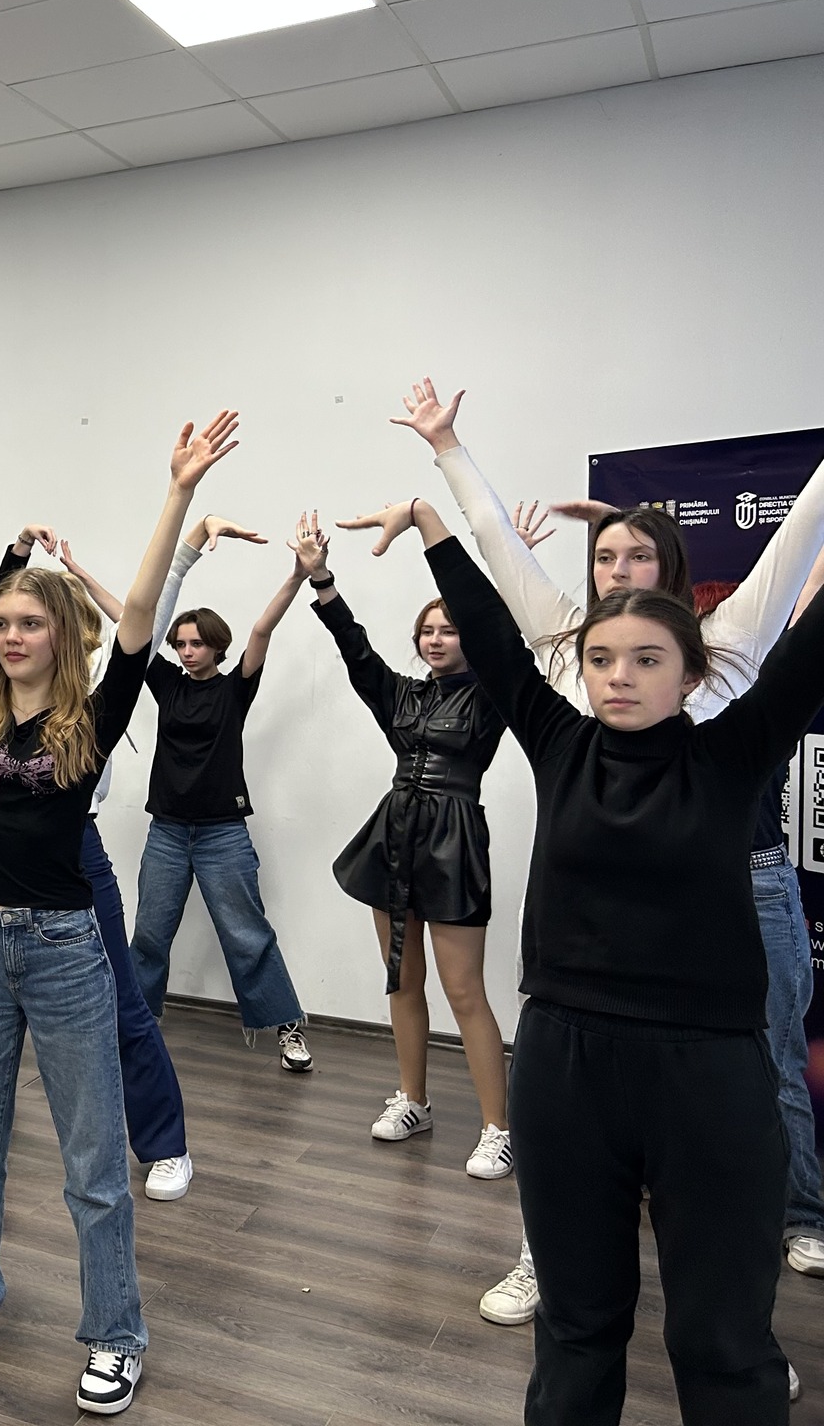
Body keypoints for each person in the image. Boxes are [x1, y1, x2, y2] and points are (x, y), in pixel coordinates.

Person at [340, 493, 824, 1425]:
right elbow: (493, 633)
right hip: (565, 1069)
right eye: (601, 660)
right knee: (575, 1333)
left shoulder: (733, 757)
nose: (619, 677)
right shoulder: (559, 745)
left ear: (692, 674)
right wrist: (434, 526)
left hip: (709, 1075)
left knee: (724, 1346)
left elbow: (809, 654)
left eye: (647, 660)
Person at [0, 407, 241, 1418]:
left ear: (59, 635)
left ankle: (114, 1334)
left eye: (29, 624)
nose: (11, 636)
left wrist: (177, 492)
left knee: (93, 1161)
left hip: (61, 949)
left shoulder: (91, 716)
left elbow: (138, 616)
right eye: (2, 624)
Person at [294, 511, 511, 1175]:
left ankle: (498, 1128)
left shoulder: (493, 695)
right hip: (394, 835)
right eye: (428, 630)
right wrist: (323, 579)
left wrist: (502, 570)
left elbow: (510, 641)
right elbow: (356, 650)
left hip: (453, 839)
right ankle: (413, 1099)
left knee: (464, 991)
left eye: (451, 629)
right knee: (402, 978)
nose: (437, 639)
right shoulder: (402, 695)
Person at [126, 514, 316, 1072]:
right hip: (167, 832)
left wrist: (297, 576)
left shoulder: (236, 690)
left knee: (247, 935)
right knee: (149, 936)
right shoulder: (166, 684)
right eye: (181, 643)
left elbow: (261, 631)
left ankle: (287, 1027)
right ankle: (136, 1023)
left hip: (222, 834)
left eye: (196, 643)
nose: (186, 651)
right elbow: (131, 620)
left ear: (216, 646)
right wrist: (79, 571)